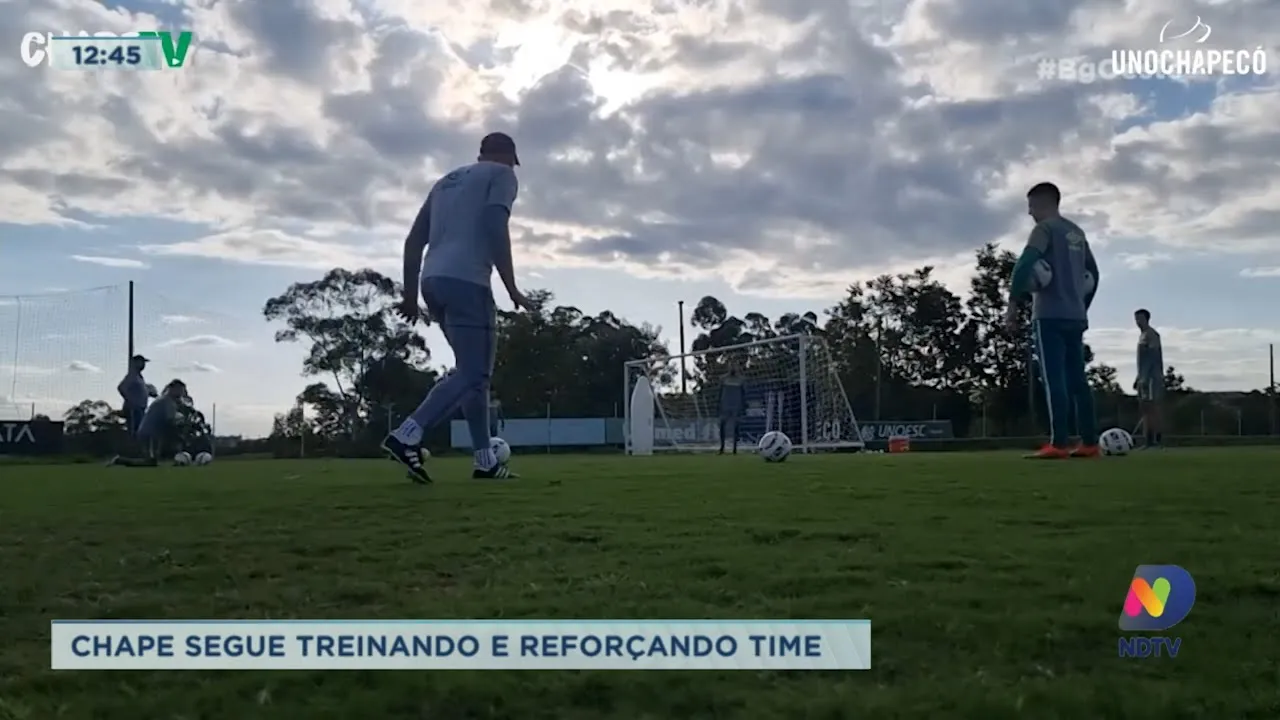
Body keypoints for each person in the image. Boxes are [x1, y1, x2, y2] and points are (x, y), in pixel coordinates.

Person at [382, 132, 536, 483]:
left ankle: (485, 461)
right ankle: (407, 434)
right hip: (468, 282)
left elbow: (413, 242)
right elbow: (496, 226)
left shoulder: (444, 182)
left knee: (472, 376)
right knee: (474, 373)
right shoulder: (502, 176)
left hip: (433, 283)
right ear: (509, 156)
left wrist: (410, 296)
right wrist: (511, 287)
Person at [1006, 182, 1101, 459]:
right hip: (1075, 315)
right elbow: (1093, 274)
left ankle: (1058, 443)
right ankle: (1090, 442)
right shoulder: (1077, 233)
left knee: (1054, 379)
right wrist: (1082, 306)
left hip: (1048, 315)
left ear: (1042, 203)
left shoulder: (1044, 229)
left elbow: (1025, 263)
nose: (1029, 213)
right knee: (1078, 380)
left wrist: (1013, 303)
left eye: (1031, 206)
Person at [108, 380, 189, 467]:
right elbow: (170, 421)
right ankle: (119, 460)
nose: (181, 393)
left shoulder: (164, 400)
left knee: (151, 460)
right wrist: (180, 433)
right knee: (150, 462)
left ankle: (121, 461)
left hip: (150, 433)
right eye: (180, 389)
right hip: (149, 434)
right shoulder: (168, 402)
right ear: (172, 389)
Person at [1133, 308, 1164, 448]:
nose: (1138, 322)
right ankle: (1148, 439)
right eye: (1136, 319)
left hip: (1152, 377)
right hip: (1144, 377)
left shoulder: (1152, 335)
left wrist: (1144, 378)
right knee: (1146, 408)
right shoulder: (1142, 335)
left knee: (1152, 408)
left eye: (1140, 319)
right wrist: (1138, 377)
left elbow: (1152, 358)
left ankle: (1154, 439)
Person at [116, 354, 155, 438]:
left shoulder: (139, 377)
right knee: (135, 431)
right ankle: (132, 448)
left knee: (140, 430)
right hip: (134, 409)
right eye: (141, 362)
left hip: (140, 408)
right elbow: (121, 387)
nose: (143, 365)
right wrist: (130, 401)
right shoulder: (132, 375)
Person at [718, 365, 746, 454]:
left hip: (736, 406)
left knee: (736, 427)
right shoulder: (723, 379)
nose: (733, 368)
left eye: (735, 366)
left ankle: (735, 448)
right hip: (725, 405)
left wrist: (743, 406)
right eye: (731, 366)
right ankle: (722, 447)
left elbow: (744, 393)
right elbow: (719, 392)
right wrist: (719, 404)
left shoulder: (741, 380)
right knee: (722, 425)